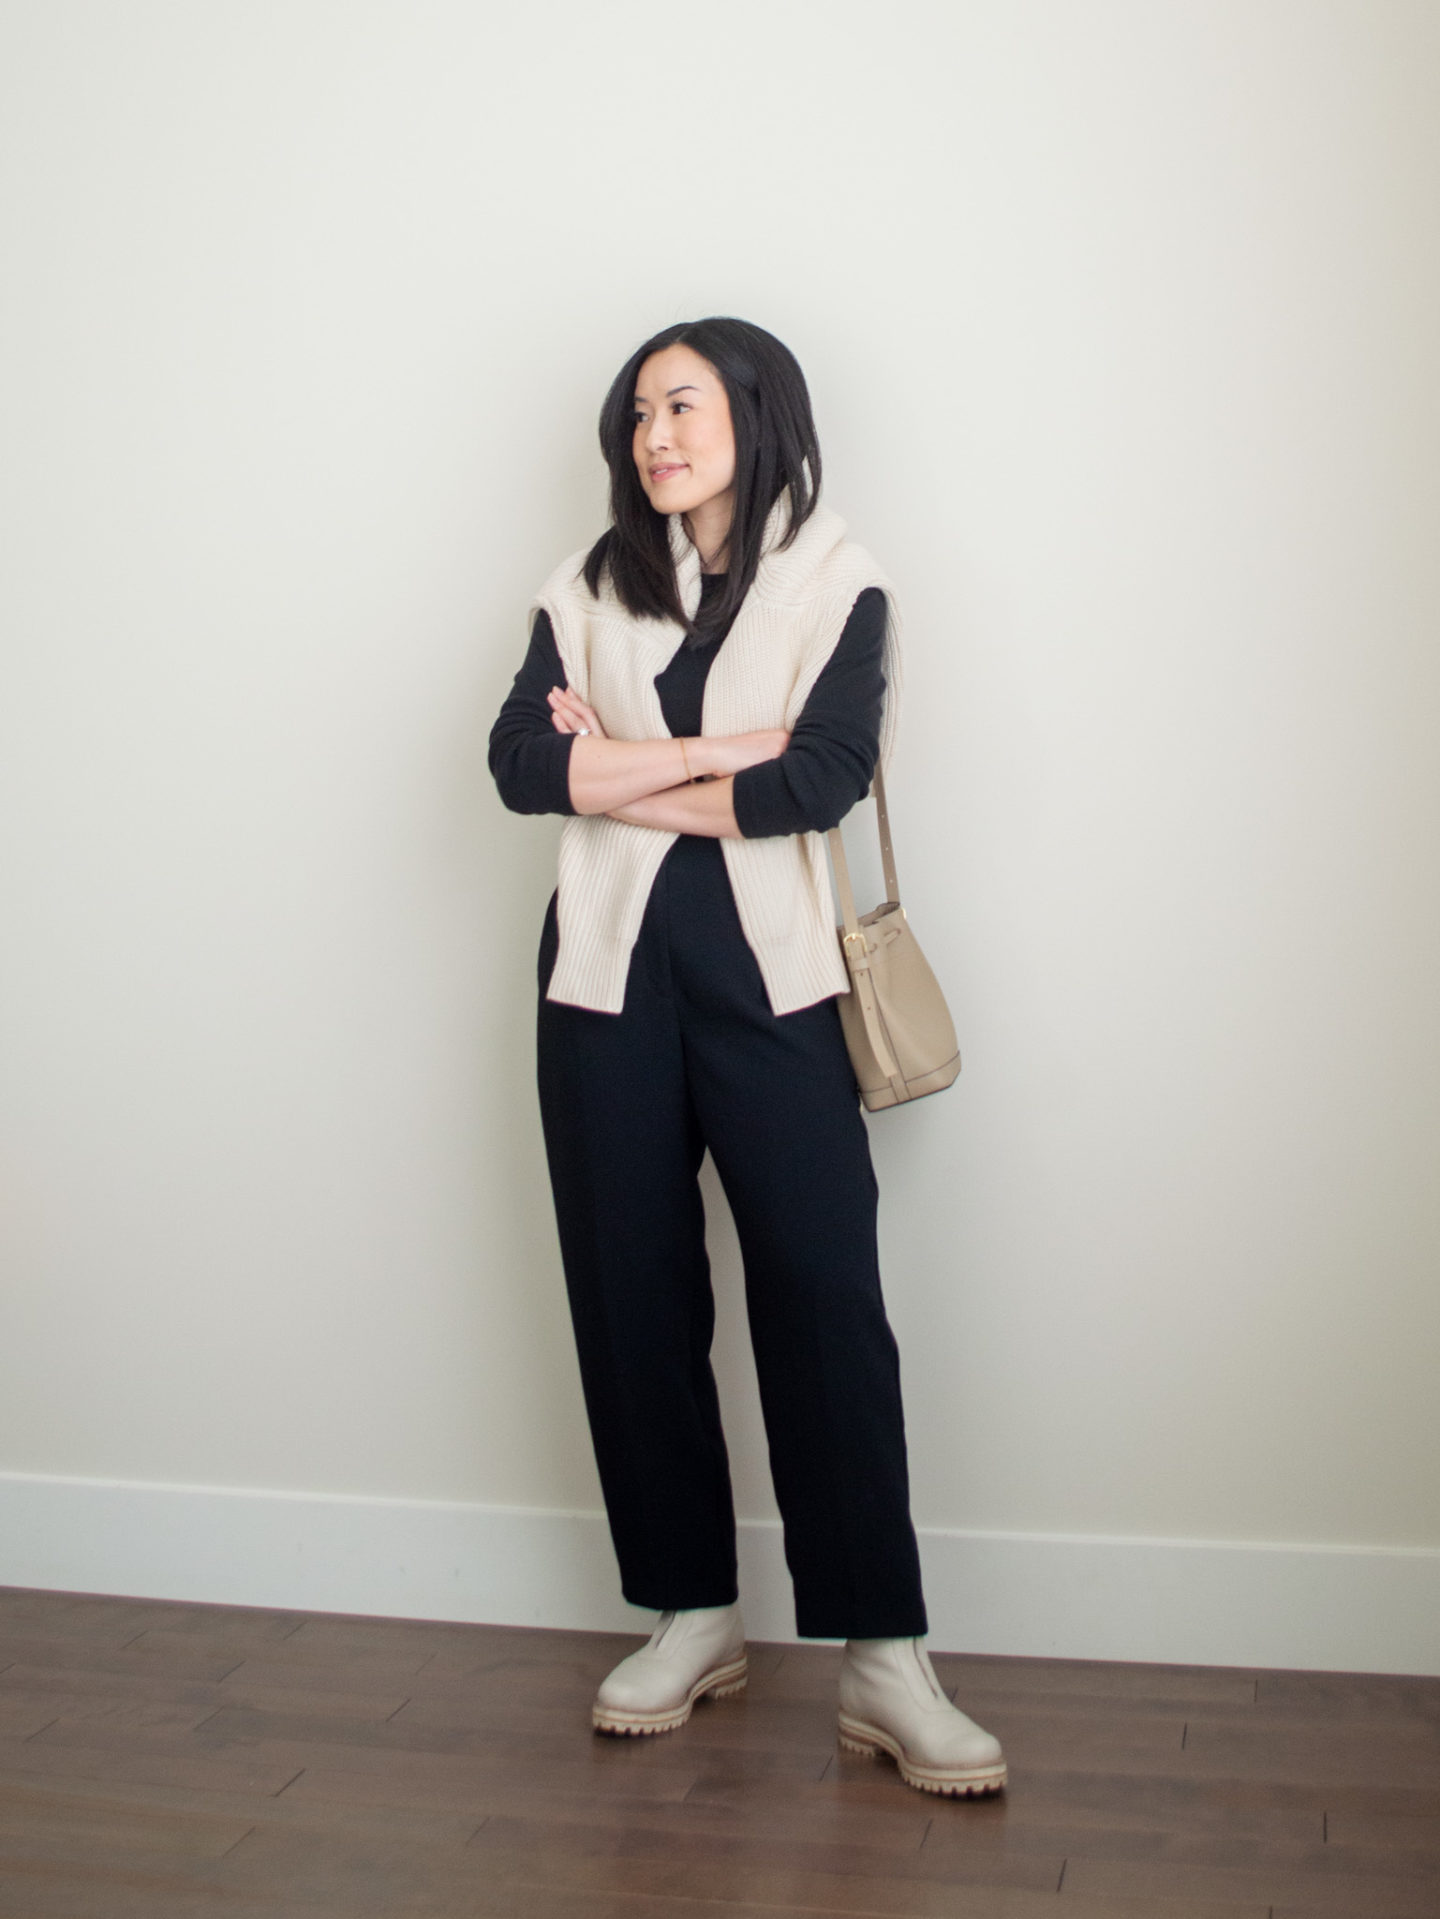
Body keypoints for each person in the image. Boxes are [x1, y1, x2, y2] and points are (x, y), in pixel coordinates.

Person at [488, 316, 1006, 1798]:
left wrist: (620, 766)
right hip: (601, 984)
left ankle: (884, 1657)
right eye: (638, 412)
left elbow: (824, 778)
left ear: (757, 413)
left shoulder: (839, 579)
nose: (655, 435)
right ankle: (690, 1611)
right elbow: (524, 765)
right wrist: (716, 757)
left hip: (774, 986)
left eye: (683, 405)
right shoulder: (585, 588)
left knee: (824, 1294)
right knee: (627, 1292)